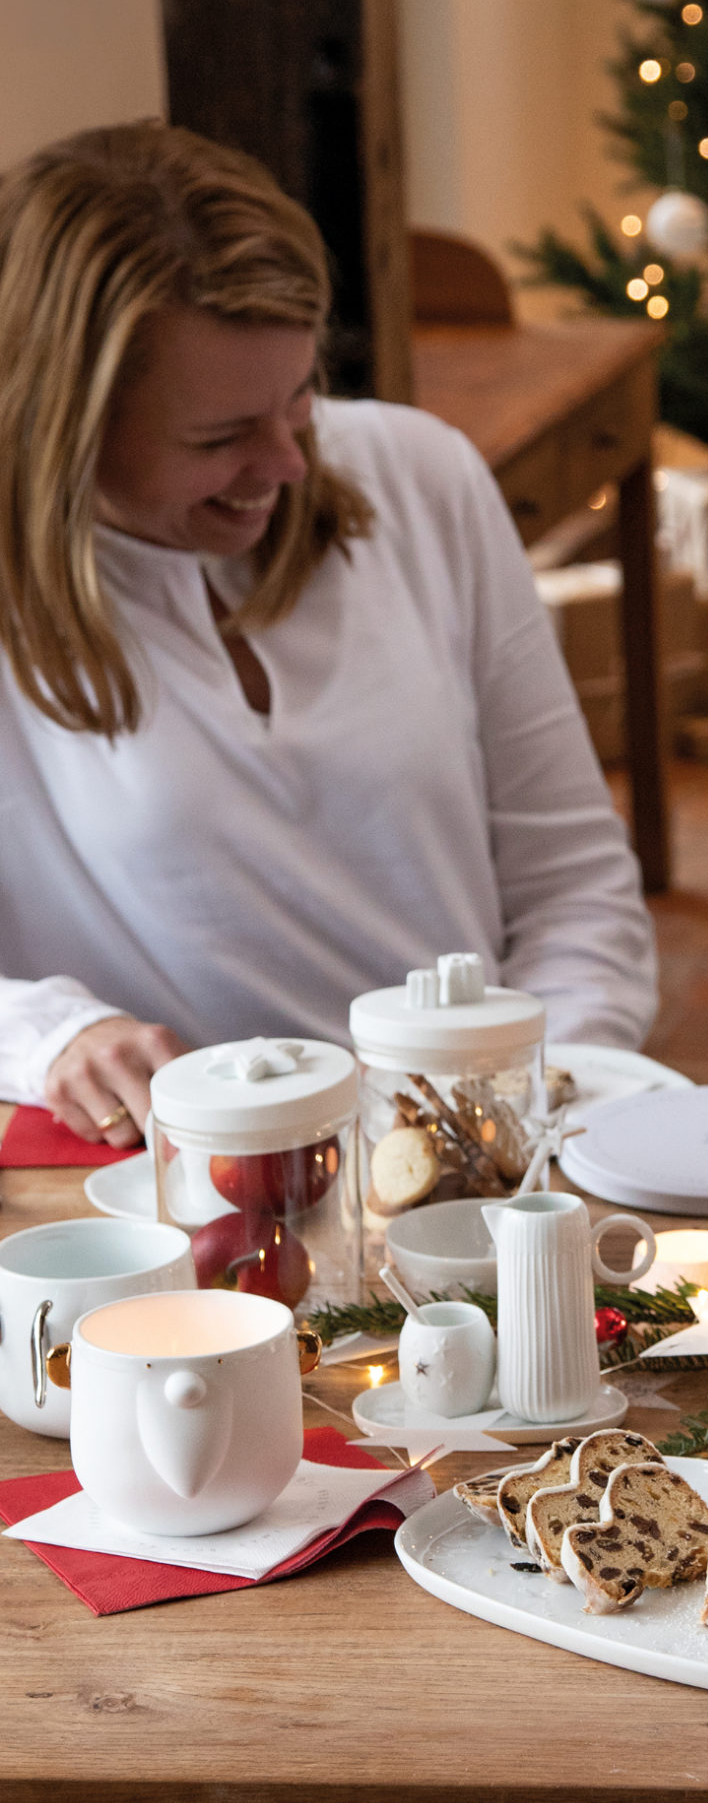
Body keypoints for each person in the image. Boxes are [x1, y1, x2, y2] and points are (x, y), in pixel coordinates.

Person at [0, 123, 657, 1145]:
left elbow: (573, 878)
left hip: (489, 1159)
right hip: (189, 1200)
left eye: (299, 398)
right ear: (62, 424)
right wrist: (51, 1034)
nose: (290, 461)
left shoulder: (422, 476)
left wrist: (546, 1099)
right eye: (219, 437)